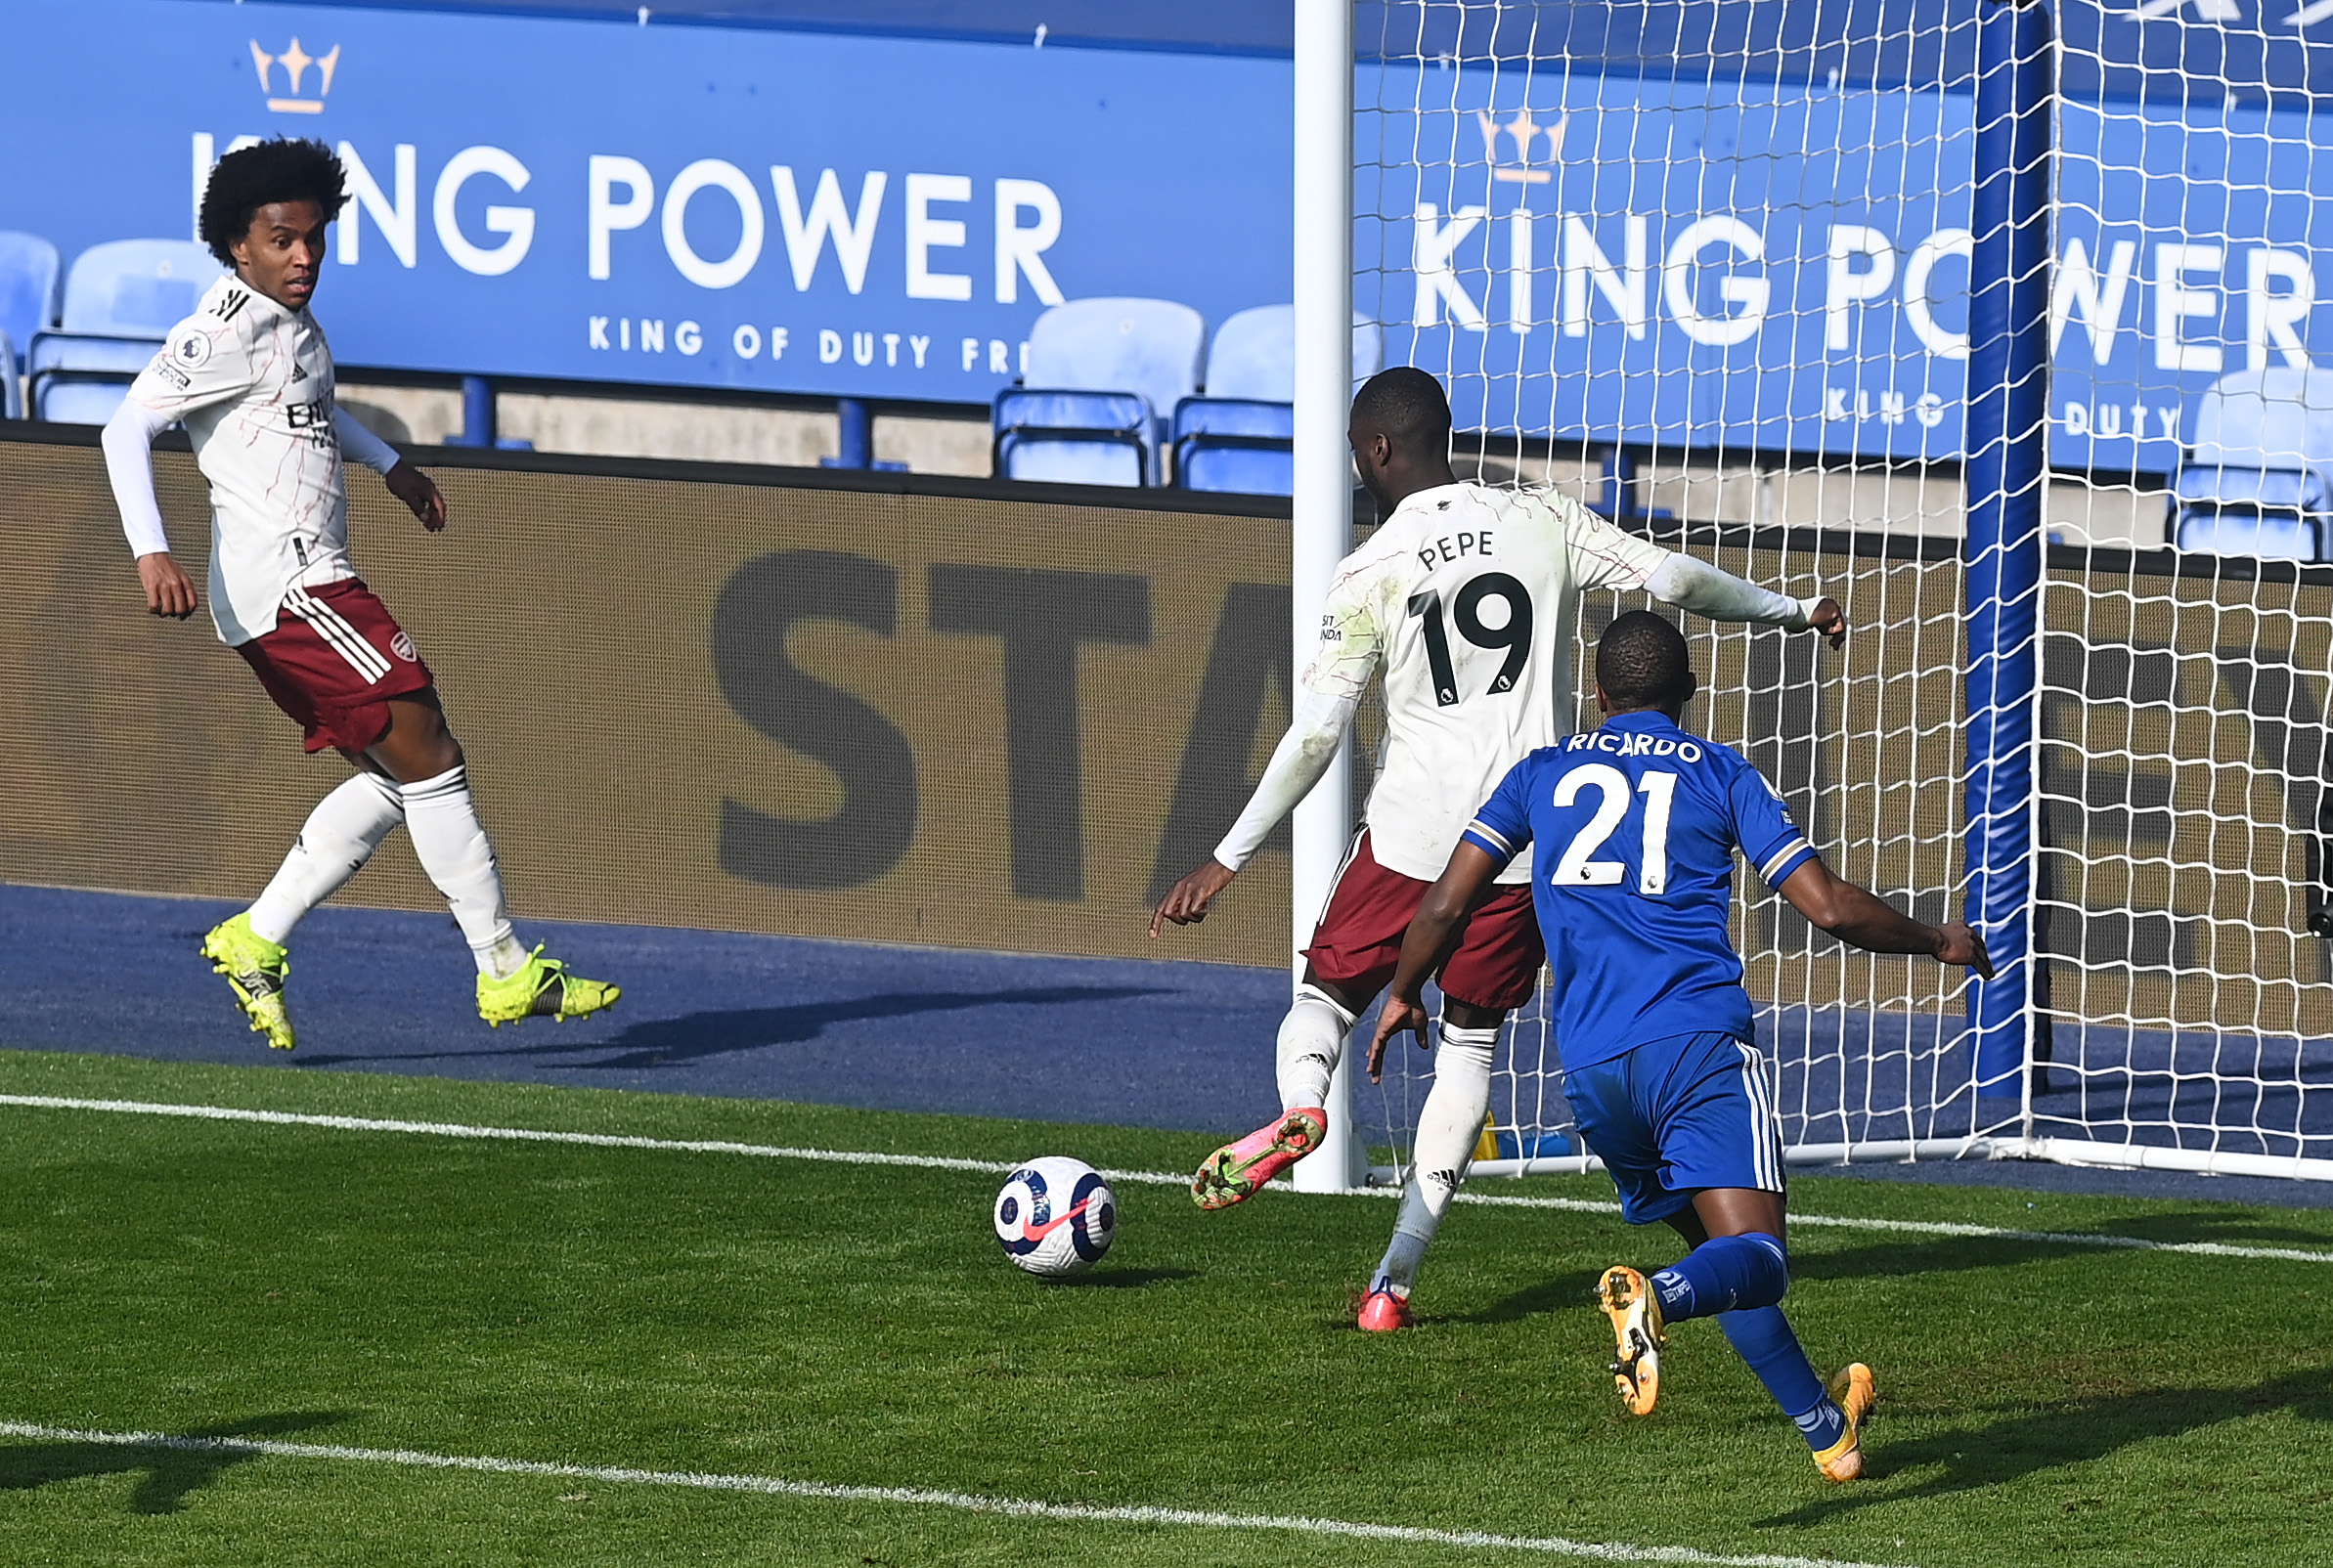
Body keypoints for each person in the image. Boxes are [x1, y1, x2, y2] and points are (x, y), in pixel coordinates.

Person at [1149, 367, 1846, 1331]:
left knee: (1323, 998)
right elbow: (1672, 579)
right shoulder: (1542, 518)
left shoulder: (1371, 566)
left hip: (1407, 834)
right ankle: (1391, 1280)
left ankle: (1305, 1101)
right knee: (1469, 1045)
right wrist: (1788, 610)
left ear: (1379, 451)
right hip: (1520, 840)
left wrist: (1226, 856)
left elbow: (1316, 733)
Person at [1366, 611, 1992, 1481]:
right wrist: (1938, 941)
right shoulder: (1722, 773)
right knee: (1758, 1261)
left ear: (1598, 692)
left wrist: (1401, 994)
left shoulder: (1540, 773)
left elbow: (1443, 906)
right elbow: (1831, 907)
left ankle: (1828, 1435)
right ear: (1689, 695)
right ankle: (1655, 1298)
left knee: (1721, 1252)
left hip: (1591, 1072)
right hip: (1695, 1050)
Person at [102, 137, 617, 1052]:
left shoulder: (291, 327)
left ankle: (254, 936)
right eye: (280, 240)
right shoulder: (223, 329)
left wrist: (390, 466)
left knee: (398, 771)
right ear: (237, 246)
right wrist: (153, 552)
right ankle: (502, 972)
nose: (303, 257)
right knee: (430, 746)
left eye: (315, 239)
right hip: (292, 586)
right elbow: (124, 428)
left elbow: (310, 406)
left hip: (305, 583)